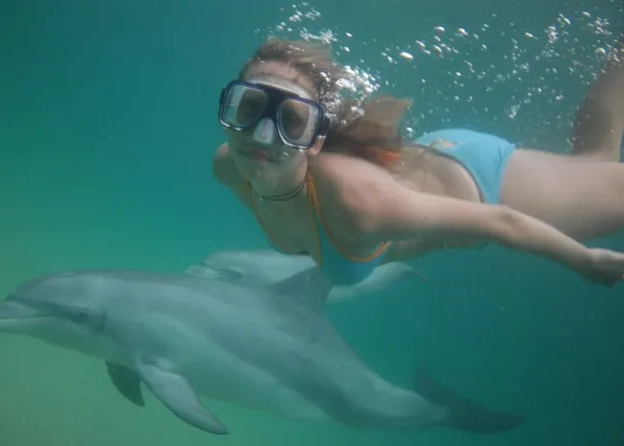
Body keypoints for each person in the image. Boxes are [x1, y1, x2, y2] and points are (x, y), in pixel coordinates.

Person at [212, 37, 624, 287]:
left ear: (316, 140)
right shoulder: (229, 166)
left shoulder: (358, 202)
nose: (262, 135)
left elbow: (502, 221)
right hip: (424, 163)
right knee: (596, 159)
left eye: (291, 121)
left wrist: (584, 261)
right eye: (247, 108)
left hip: (486, 184)